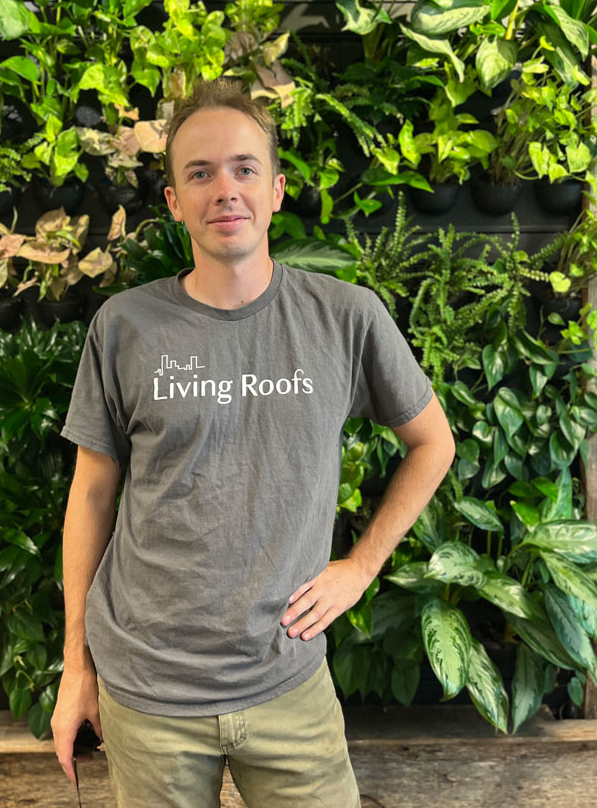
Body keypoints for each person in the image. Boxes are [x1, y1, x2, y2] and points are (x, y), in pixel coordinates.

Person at [50, 77, 456, 807]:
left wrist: (360, 567)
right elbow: (91, 495)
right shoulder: (124, 326)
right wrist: (76, 667)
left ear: (275, 189)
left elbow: (433, 443)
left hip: (287, 679)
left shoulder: (345, 318)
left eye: (244, 168)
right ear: (174, 201)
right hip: (147, 692)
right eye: (200, 173)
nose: (225, 190)